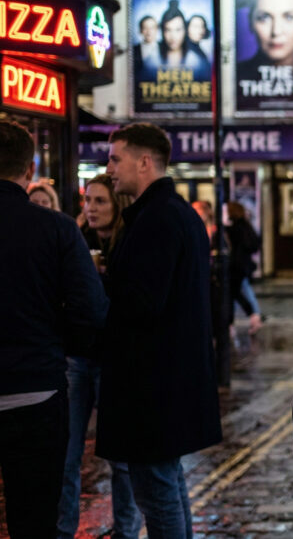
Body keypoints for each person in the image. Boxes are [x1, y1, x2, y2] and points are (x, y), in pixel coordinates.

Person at [101, 123, 222, 537]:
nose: (110, 167)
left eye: (116, 158)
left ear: (144, 162)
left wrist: (100, 283)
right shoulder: (174, 213)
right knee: (167, 486)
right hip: (168, 380)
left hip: (151, 384)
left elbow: (142, 302)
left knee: (155, 492)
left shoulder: (156, 219)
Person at [0, 119, 108, 538]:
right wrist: (55, 341)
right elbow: (92, 311)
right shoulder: (57, 228)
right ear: (29, 171)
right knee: (35, 520)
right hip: (37, 392)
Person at [58, 174, 141, 539]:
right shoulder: (75, 241)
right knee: (66, 452)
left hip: (115, 360)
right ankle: (62, 529)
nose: (90, 209)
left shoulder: (129, 243)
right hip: (78, 357)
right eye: (87, 201)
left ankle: (125, 530)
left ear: (117, 205)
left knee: (121, 460)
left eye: (100, 201)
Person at [237, 0, 293, 82]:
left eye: (289, 17)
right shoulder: (235, 76)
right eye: (264, 18)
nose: (276, 31)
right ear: (251, 22)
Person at [140, 0, 212, 81]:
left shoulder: (197, 61)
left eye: (178, 30)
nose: (173, 36)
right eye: (168, 30)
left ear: (185, 30)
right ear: (163, 31)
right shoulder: (152, 60)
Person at [226, 201, 263, 335]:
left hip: (237, 265)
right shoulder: (245, 224)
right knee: (237, 292)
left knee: (233, 293)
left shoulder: (235, 227)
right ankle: (253, 316)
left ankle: (252, 316)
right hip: (243, 265)